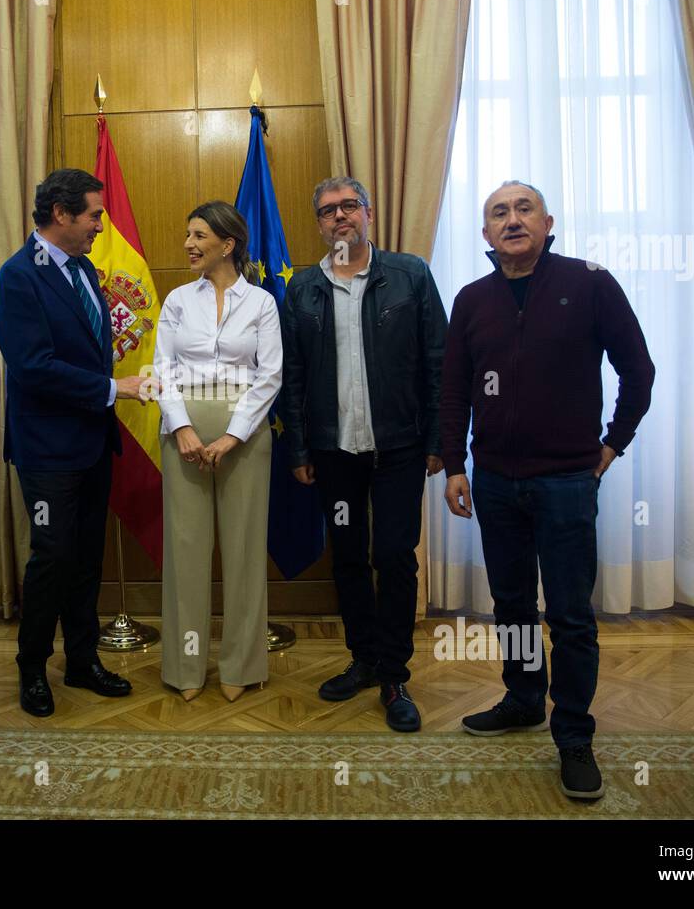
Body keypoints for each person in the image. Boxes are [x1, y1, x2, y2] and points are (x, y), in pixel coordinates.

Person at [440, 180, 655, 799]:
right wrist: (454, 463)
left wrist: (613, 444)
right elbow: (453, 391)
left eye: (523, 208)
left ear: (548, 221)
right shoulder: (472, 299)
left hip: (566, 478)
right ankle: (524, 698)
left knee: (569, 614)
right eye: (499, 213)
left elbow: (637, 370)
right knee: (510, 604)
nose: (512, 219)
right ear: (486, 234)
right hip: (494, 481)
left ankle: (574, 735)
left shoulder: (589, 282)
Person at [279, 177, 448, 732]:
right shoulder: (302, 288)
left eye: (349, 206)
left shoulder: (409, 275)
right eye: (327, 211)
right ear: (320, 224)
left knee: (396, 556)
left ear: (367, 213)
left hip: (399, 448)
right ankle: (363, 658)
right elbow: (294, 376)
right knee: (348, 555)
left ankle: (396, 673)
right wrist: (300, 446)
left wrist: (437, 441)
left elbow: (437, 362)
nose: (339, 217)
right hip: (334, 452)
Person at [0, 168, 155, 718]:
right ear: (60, 214)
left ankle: (82, 661)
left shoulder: (84, 268)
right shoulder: (18, 277)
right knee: (52, 557)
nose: (99, 224)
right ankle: (33, 668)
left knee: (87, 559)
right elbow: (33, 367)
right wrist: (114, 388)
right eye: (92, 215)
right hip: (47, 451)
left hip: (91, 444)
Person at [154, 201, 281, 703]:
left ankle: (241, 665)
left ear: (227, 245)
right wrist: (182, 428)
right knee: (185, 551)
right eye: (188, 234)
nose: (188, 244)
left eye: (199, 235)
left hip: (244, 433)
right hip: (182, 428)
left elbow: (270, 374)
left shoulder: (263, 303)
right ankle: (186, 669)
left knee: (245, 549)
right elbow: (161, 371)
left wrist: (233, 436)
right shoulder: (178, 300)